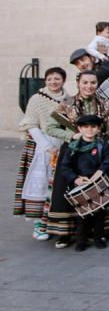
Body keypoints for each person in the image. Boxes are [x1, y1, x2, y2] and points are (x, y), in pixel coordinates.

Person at [44, 70, 109, 246]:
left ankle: (95, 233)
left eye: (92, 82)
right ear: (78, 83)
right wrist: (71, 136)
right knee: (65, 191)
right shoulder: (67, 103)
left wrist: (108, 151)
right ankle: (65, 233)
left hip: (96, 153)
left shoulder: (104, 104)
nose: (89, 86)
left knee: (96, 193)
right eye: (85, 82)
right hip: (73, 151)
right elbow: (51, 127)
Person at [14, 67, 68, 240]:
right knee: (42, 184)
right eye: (50, 78)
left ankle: (55, 222)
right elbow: (30, 124)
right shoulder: (37, 99)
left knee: (58, 186)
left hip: (63, 145)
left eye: (57, 78)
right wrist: (47, 146)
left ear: (63, 80)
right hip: (42, 146)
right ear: (45, 81)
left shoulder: (69, 100)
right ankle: (39, 225)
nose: (53, 82)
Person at [58, 114, 109, 252]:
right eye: (86, 127)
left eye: (93, 127)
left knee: (99, 212)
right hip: (80, 183)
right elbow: (64, 166)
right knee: (82, 214)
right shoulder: (73, 147)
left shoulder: (102, 145)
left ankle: (98, 237)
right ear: (79, 129)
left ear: (98, 128)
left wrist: (99, 172)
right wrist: (75, 178)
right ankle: (81, 240)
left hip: (97, 182)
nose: (89, 130)